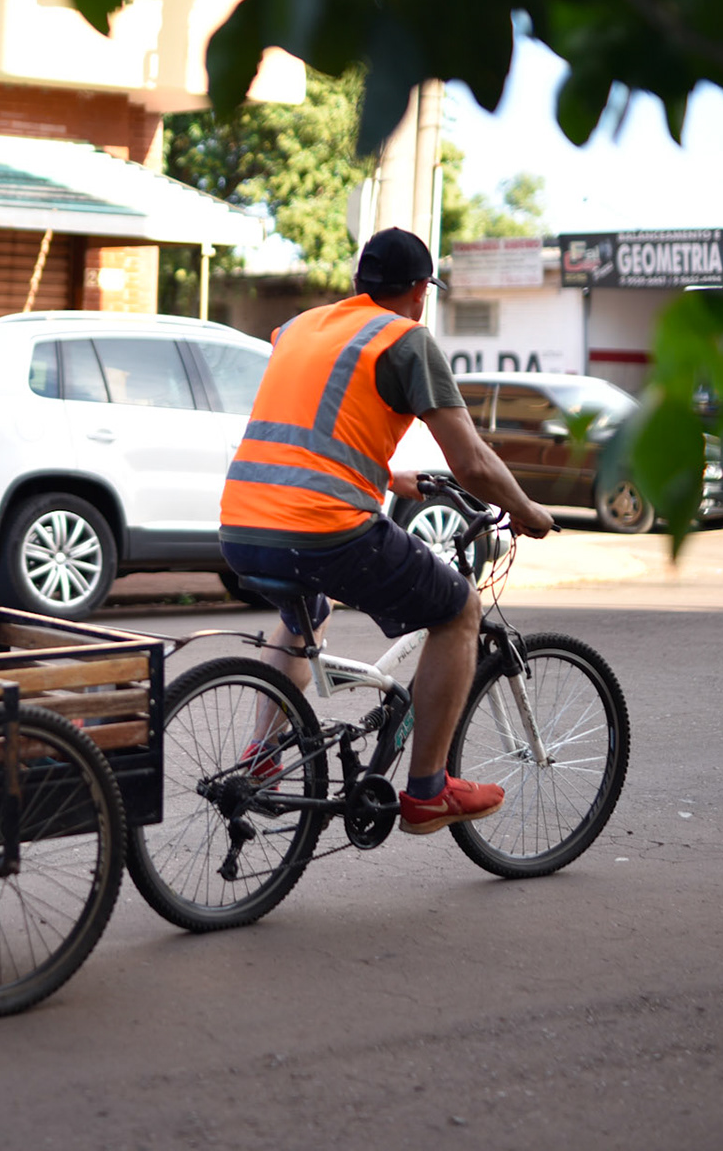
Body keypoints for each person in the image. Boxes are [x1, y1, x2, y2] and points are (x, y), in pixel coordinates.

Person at [218, 227, 555, 834]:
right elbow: (471, 461)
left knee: (304, 612)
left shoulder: (302, 326)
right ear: (421, 291)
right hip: (324, 528)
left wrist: (387, 474)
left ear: (357, 286)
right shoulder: (405, 339)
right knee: (458, 609)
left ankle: (260, 757)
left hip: (242, 523)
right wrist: (528, 511)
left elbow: (314, 425)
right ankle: (427, 791)